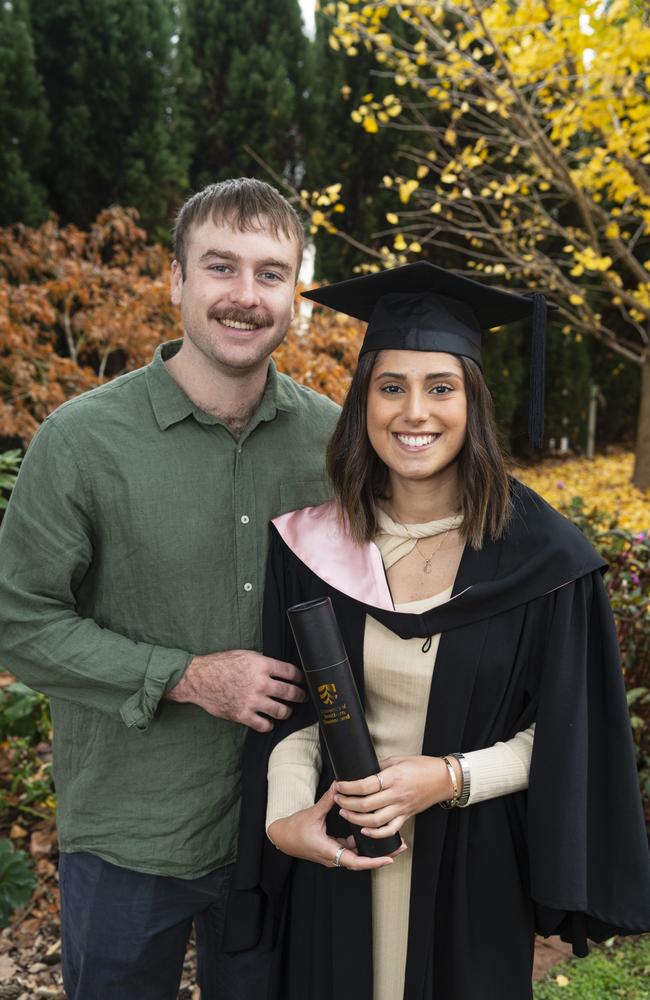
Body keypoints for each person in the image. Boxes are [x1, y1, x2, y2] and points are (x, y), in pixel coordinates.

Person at [225, 261, 650, 1000]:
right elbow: (295, 709)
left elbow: (572, 735)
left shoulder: (548, 561)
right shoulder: (313, 545)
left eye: (440, 387)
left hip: (472, 867)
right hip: (340, 859)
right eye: (391, 387)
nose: (413, 411)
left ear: (473, 402)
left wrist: (450, 777)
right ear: (363, 403)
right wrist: (287, 817)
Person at [0, 178, 339, 999]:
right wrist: (184, 676)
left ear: (292, 294)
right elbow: (18, 620)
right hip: (129, 835)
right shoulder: (82, 441)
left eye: (270, 273)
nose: (245, 296)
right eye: (221, 267)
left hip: (280, 828)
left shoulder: (335, 439)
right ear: (177, 280)